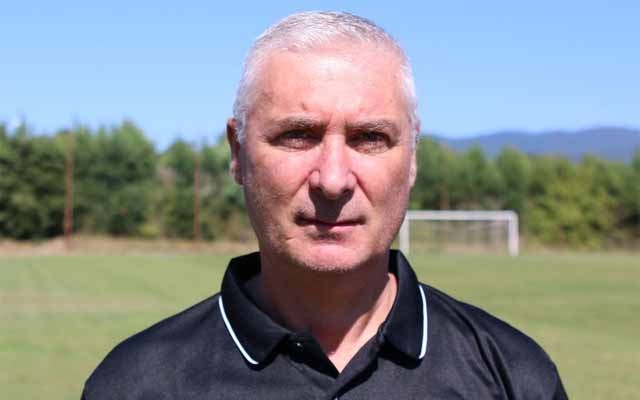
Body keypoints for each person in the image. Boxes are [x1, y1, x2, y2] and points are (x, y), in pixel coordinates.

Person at [82, 11, 567, 399]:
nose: (333, 181)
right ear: (238, 153)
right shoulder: (136, 385)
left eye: (369, 138)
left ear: (413, 157)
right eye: (298, 135)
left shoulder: (512, 375)